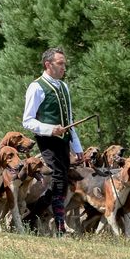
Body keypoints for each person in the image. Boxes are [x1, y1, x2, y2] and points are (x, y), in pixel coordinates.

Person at [22, 47, 83, 235]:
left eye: (64, 63)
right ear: (48, 64)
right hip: (47, 140)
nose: (64, 67)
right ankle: (59, 225)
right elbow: (28, 121)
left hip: (64, 141)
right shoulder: (36, 87)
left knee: (62, 181)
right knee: (58, 178)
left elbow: (69, 120)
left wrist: (77, 147)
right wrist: (50, 129)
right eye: (60, 63)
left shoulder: (63, 87)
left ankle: (32, 216)